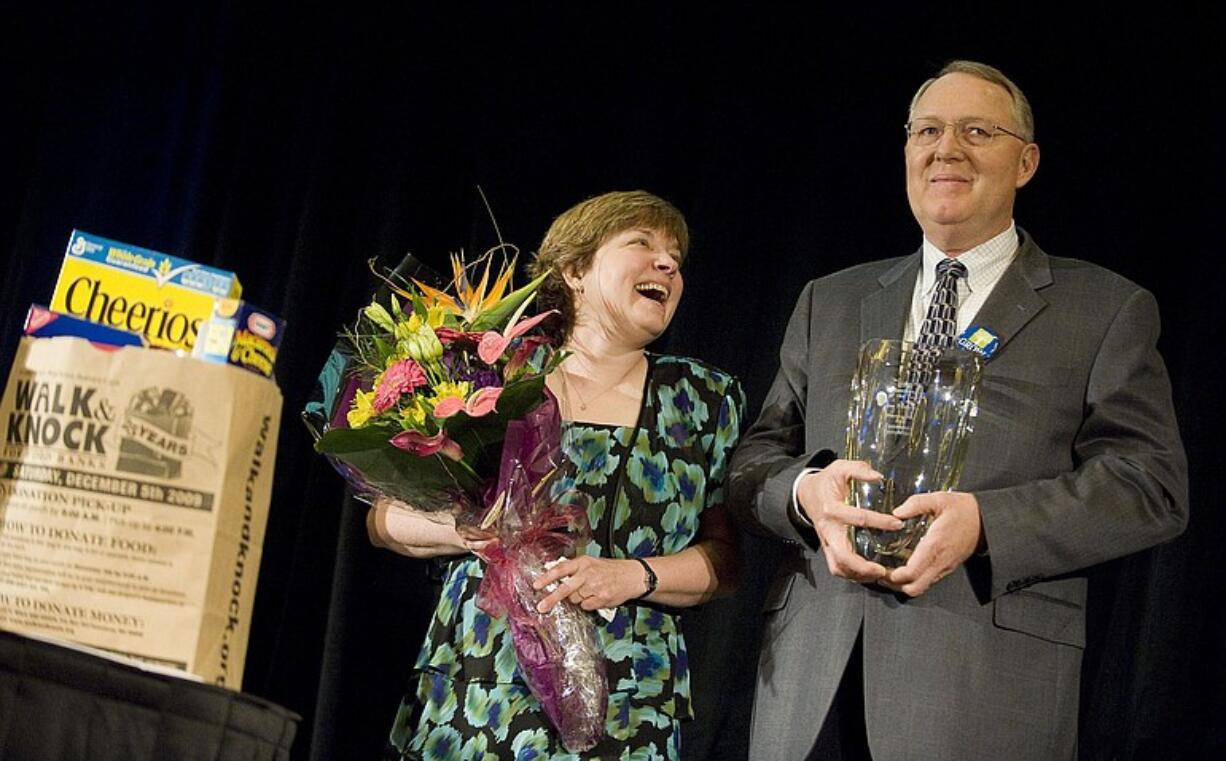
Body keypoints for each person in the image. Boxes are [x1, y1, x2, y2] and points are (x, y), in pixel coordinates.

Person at [727, 60, 1188, 760]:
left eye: (978, 130)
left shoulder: (1105, 309)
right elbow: (755, 461)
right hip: (810, 682)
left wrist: (986, 524)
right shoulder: (832, 299)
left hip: (980, 689)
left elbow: (1150, 485)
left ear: (1026, 161)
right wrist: (805, 494)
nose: (947, 149)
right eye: (928, 131)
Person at [370, 190, 745, 760]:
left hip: (627, 691)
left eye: (675, 257)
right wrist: (462, 529)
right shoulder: (488, 379)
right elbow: (384, 519)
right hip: (482, 676)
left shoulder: (703, 398)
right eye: (642, 244)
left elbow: (725, 559)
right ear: (573, 270)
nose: (667, 264)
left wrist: (633, 576)